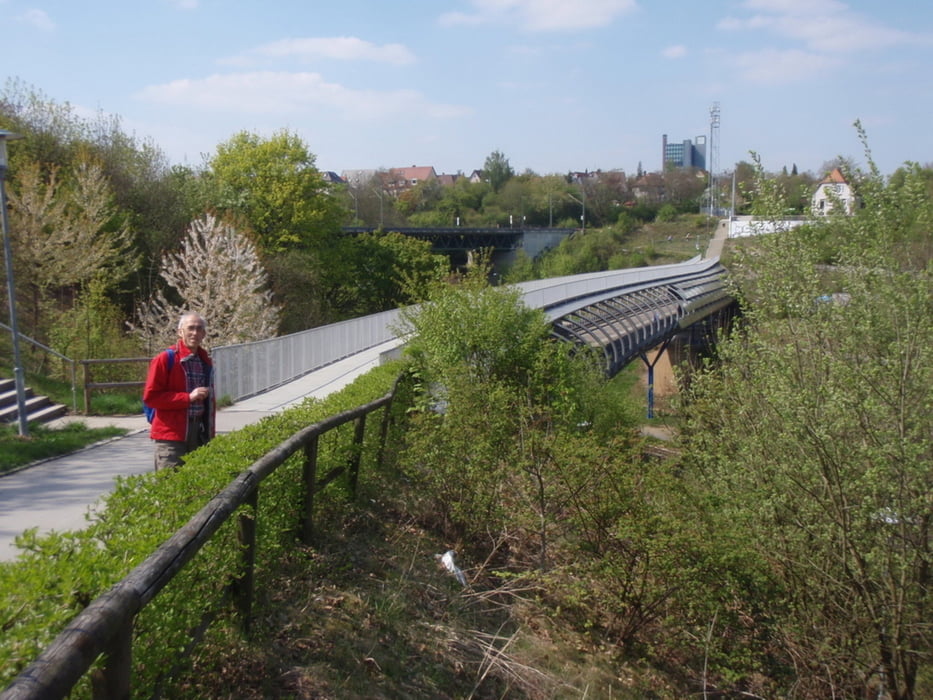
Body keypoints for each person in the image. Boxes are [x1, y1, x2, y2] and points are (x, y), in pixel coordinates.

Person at [143, 312, 216, 471]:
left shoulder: (205, 361)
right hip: (171, 435)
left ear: (204, 333)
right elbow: (151, 397)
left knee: (197, 487)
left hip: (198, 434)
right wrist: (188, 398)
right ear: (180, 331)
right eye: (190, 328)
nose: (195, 333)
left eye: (199, 329)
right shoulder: (165, 359)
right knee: (171, 487)